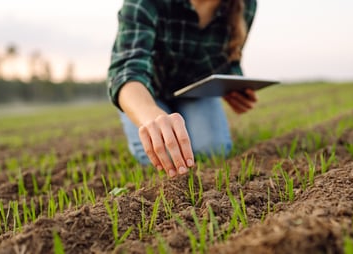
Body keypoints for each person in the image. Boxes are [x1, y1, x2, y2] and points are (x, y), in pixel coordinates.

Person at [107, 0, 258, 178]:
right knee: (165, 157)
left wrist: (231, 85)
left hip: (193, 92)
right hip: (146, 93)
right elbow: (127, 70)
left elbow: (230, 58)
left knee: (213, 150)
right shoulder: (144, 3)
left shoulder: (245, 5)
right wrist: (149, 114)